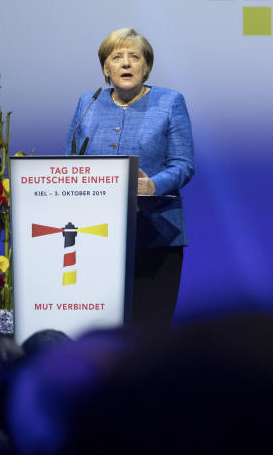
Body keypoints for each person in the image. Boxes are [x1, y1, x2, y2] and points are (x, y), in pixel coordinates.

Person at [66, 28, 194, 329]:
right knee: (98, 332)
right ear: (105, 69)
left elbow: (183, 164)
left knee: (149, 334)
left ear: (146, 67)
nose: (126, 63)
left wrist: (152, 186)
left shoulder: (170, 102)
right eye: (117, 57)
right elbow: (69, 164)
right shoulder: (88, 103)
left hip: (156, 235)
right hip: (94, 237)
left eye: (134, 57)